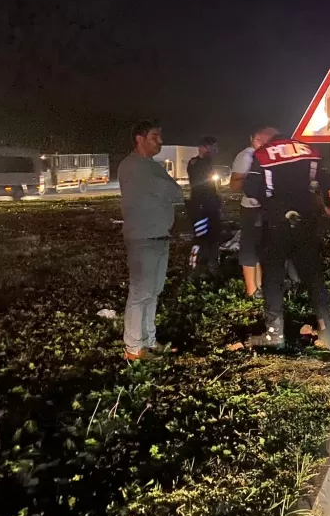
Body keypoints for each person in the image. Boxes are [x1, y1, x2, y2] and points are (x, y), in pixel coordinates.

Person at [243, 133, 330, 353]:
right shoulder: (309, 151)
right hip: (305, 218)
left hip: (276, 221)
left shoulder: (263, 154)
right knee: (313, 274)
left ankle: (275, 333)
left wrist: (268, 203)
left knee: (273, 276)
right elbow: (329, 181)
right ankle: (328, 330)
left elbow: (251, 188)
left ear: (271, 140)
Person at [118, 120, 185, 361]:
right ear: (140, 138)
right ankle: (134, 348)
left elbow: (175, 191)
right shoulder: (133, 166)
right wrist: (172, 191)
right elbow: (171, 191)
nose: (160, 141)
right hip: (143, 237)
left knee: (153, 292)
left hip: (159, 236)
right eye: (155, 136)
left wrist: (173, 191)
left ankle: (149, 339)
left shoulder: (152, 165)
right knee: (140, 292)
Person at [230, 127, 277, 297]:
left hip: (264, 209)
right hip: (250, 209)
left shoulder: (266, 155)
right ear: (255, 139)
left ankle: (259, 288)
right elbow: (234, 185)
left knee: (260, 248)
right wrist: (252, 180)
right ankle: (251, 291)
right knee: (250, 248)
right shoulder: (246, 156)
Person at [186, 136, 222, 275]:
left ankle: (213, 266)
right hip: (200, 207)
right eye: (213, 147)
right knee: (200, 238)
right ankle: (195, 268)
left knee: (213, 236)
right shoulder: (196, 163)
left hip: (211, 206)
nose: (216, 151)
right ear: (203, 148)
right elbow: (201, 186)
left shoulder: (207, 163)